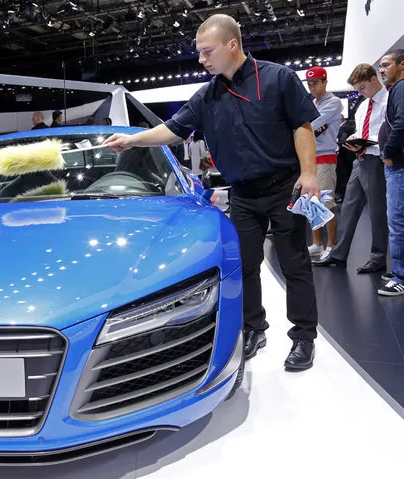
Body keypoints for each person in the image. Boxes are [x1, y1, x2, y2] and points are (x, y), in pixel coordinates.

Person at [105, 14, 321, 370]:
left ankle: (303, 337)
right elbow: (173, 130)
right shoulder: (207, 95)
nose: (202, 60)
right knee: (245, 266)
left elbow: (302, 125)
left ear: (231, 45)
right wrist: (132, 140)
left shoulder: (277, 77)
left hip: (286, 187)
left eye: (207, 52)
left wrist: (310, 173)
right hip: (243, 194)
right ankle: (254, 329)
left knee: (294, 263)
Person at [314, 64, 388, 274]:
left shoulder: (389, 101)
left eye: (362, 87)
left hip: (377, 161)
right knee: (348, 208)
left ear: (374, 80)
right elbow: (361, 130)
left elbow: (388, 132)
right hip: (360, 158)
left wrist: (369, 141)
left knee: (377, 212)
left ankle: (378, 258)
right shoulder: (364, 105)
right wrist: (356, 138)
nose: (360, 92)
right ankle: (338, 254)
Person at [304, 66, 343, 260]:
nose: (312, 87)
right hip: (310, 158)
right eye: (309, 83)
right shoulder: (312, 103)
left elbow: (312, 125)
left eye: (316, 83)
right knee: (312, 203)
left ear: (325, 81)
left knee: (327, 202)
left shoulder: (333, 103)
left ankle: (331, 245)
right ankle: (317, 243)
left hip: (325, 157)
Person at [377, 49, 404, 295]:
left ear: (402, 64)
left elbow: (401, 124)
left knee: (397, 222)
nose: (382, 70)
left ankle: (400, 277)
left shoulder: (401, 88)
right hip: (398, 163)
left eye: (386, 65)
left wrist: (388, 152)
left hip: (398, 165)